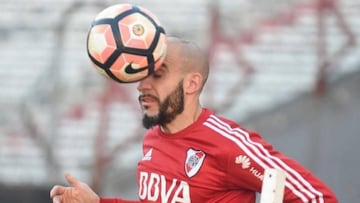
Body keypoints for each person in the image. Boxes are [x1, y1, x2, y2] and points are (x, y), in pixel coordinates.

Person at [50, 37, 338, 203]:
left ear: (191, 83)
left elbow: (317, 197)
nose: (142, 85)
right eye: (142, 74)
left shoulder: (228, 145)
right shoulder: (153, 139)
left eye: (158, 75)